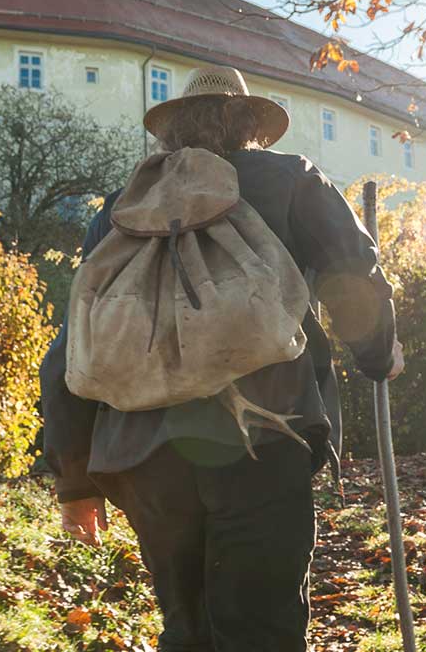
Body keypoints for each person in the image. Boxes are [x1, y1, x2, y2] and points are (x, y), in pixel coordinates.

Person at [40, 65, 404, 652]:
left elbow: (74, 343)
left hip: (142, 450)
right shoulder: (290, 179)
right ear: (249, 125)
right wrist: (378, 353)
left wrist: (74, 480)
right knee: (260, 628)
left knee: (189, 629)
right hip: (262, 432)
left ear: (171, 131)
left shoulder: (121, 206)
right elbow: (352, 274)